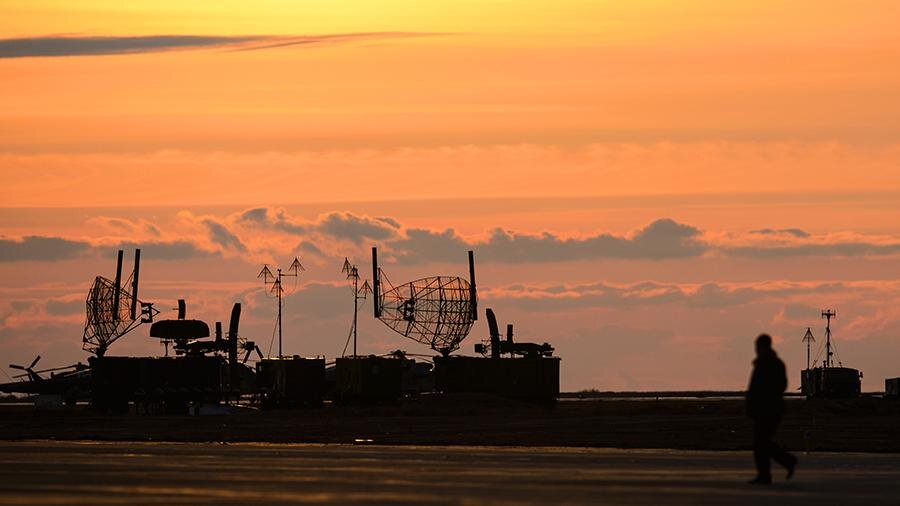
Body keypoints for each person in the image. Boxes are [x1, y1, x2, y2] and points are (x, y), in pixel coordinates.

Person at [746, 333, 797, 484]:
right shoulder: (766, 363)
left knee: (761, 443)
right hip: (765, 409)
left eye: (758, 346)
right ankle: (784, 463)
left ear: (764, 347)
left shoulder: (771, 364)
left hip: (769, 409)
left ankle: (768, 473)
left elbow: (780, 386)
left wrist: (764, 399)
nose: (756, 349)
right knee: (763, 442)